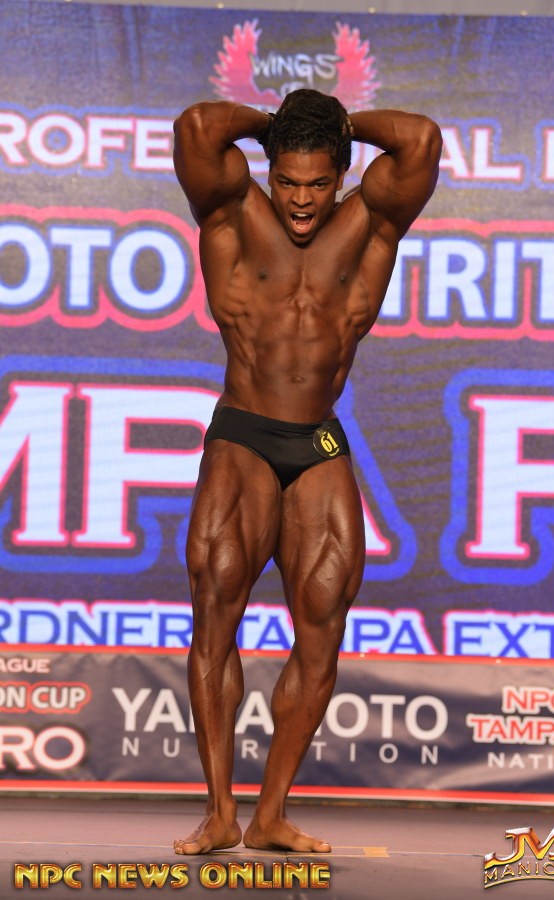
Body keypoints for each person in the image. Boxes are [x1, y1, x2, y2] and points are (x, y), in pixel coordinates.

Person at [171, 88, 441, 855]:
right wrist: (275, 127)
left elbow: (421, 140)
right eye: (287, 181)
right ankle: (219, 811)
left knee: (323, 624)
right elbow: (198, 126)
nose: (299, 200)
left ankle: (271, 814)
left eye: (317, 183)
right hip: (243, 434)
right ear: (270, 172)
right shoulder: (233, 212)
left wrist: (340, 125)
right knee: (216, 605)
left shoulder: (371, 222)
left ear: (341, 176)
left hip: (318, 439)